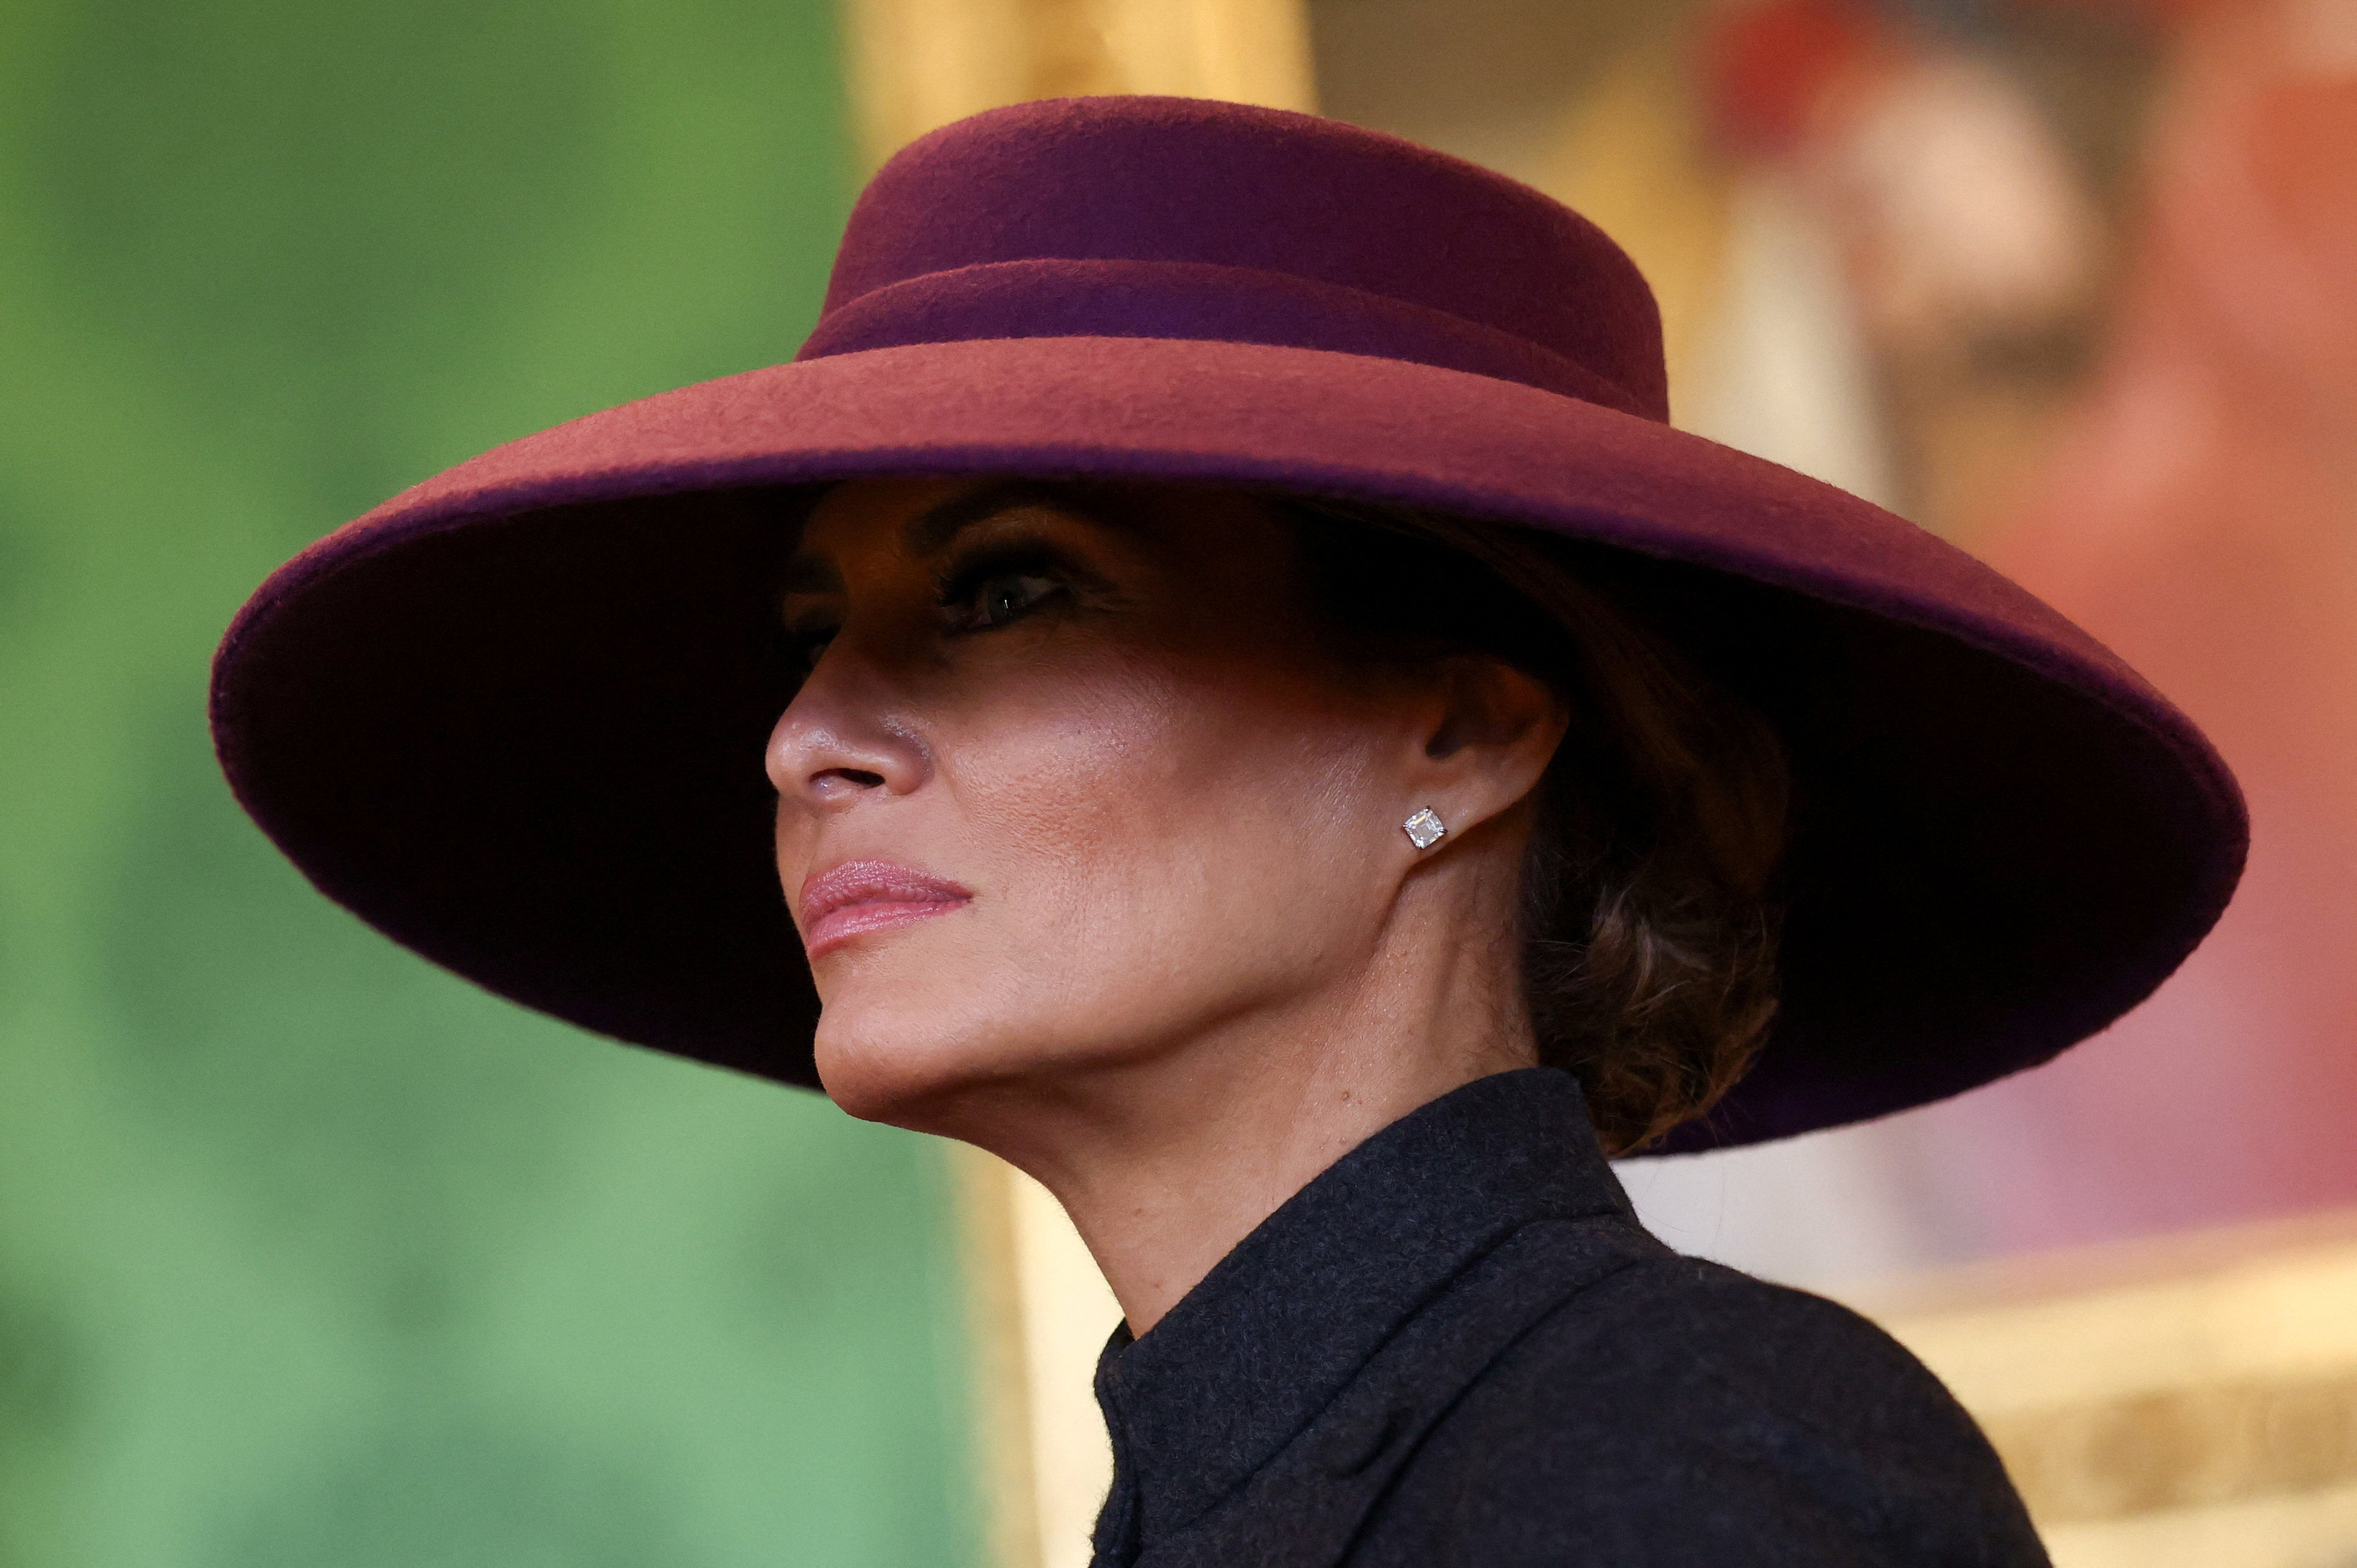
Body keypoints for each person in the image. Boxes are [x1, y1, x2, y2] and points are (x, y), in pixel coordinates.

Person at [211, 96, 2245, 1565]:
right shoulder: (1253, 1488)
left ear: (1458, 721)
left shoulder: (1679, 1465)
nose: (806, 739)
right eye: (810, 636)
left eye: (1007, 588)